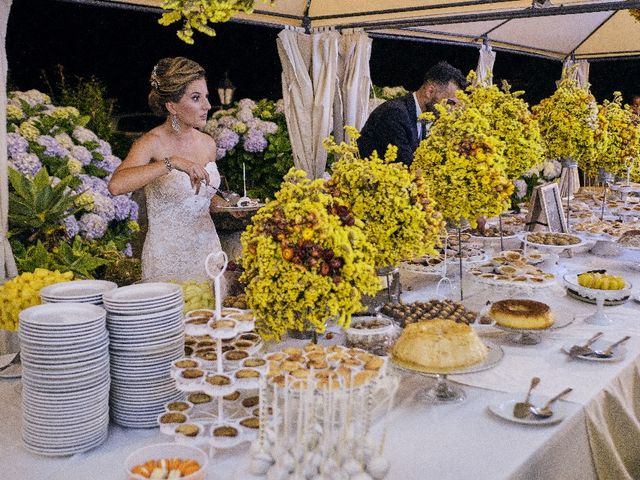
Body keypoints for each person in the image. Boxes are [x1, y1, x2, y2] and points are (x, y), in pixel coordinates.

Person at [108, 57, 230, 281]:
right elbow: (116, 185)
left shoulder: (208, 143)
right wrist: (170, 163)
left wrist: (228, 206)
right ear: (171, 106)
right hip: (167, 259)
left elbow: (201, 195)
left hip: (208, 253)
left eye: (206, 97)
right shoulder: (151, 142)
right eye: (196, 98)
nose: (207, 106)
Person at [357, 61, 467, 166]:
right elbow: (408, 165)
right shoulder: (394, 114)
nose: (452, 110)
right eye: (450, 102)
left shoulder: (420, 116)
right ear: (430, 91)